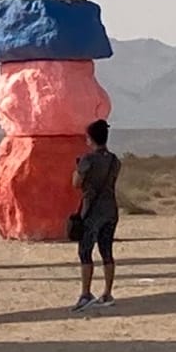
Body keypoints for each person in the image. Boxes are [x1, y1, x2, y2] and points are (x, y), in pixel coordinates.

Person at [71, 120, 122, 312]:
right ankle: (107, 292)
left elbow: (76, 183)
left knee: (85, 252)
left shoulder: (88, 160)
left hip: (91, 211)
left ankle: (86, 293)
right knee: (106, 252)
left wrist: (77, 170)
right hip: (110, 209)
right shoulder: (115, 160)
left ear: (91, 138)